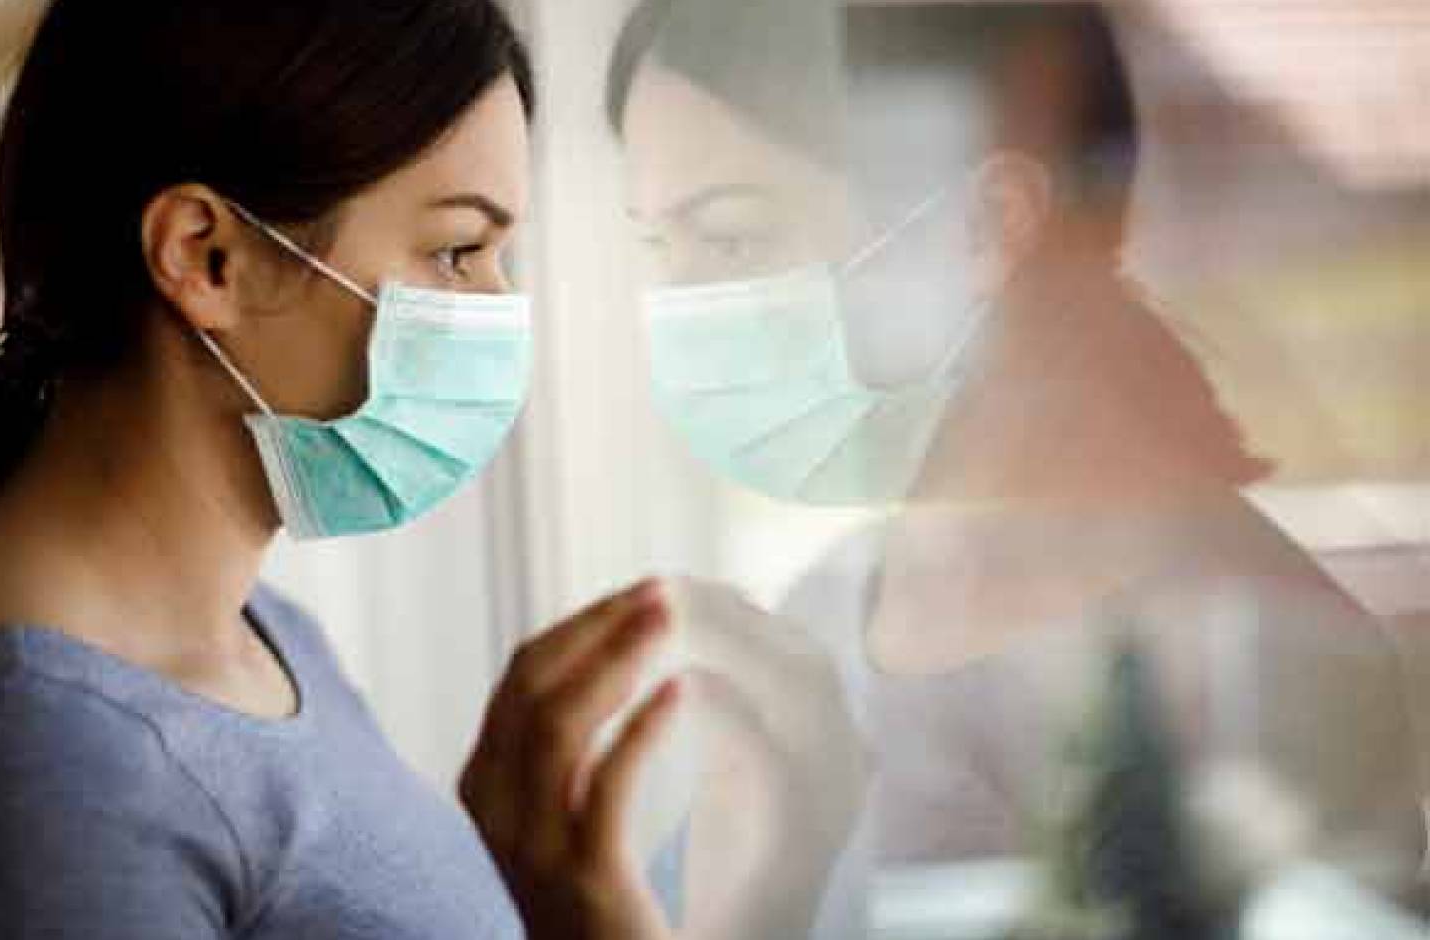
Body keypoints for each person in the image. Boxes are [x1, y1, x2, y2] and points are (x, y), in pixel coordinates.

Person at [0, 2, 683, 938]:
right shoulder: (28, 764)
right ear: (206, 257)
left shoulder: (261, 635)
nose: (500, 308)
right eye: (456, 250)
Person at [609, 0, 1425, 935]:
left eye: (732, 237)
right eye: (657, 245)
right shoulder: (821, 614)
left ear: (989, 222)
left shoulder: (1260, 656)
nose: (681, 309)